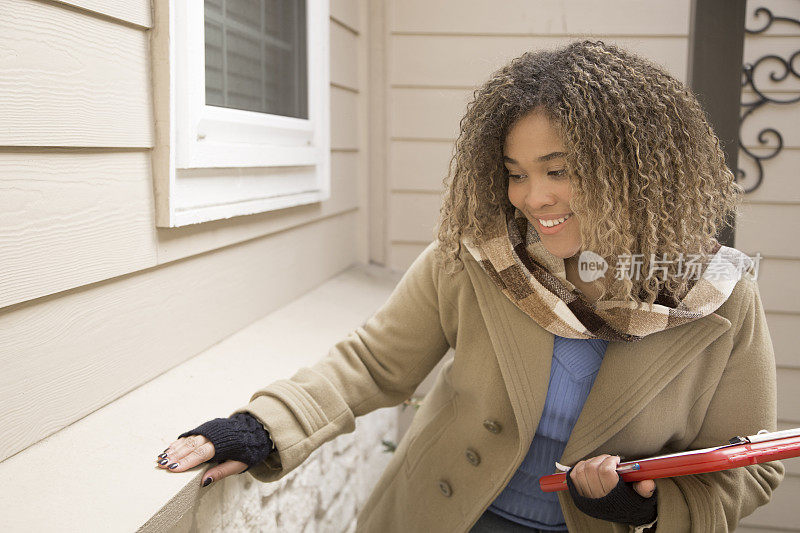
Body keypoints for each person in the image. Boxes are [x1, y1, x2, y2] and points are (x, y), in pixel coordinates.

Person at [155, 39, 784, 532]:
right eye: (515, 174)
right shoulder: (480, 259)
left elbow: (749, 467)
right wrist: (263, 425)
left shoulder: (716, 296)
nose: (533, 199)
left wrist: (644, 508)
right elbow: (375, 363)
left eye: (557, 170)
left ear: (631, 166)